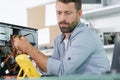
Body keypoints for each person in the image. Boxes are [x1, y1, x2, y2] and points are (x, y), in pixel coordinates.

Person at [13, 0, 110, 76]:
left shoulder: (85, 35)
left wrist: (28, 48)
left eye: (68, 13)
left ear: (79, 14)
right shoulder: (59, 40)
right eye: (59, 13)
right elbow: (52, 72)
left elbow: (62, 71)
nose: (62, 18)